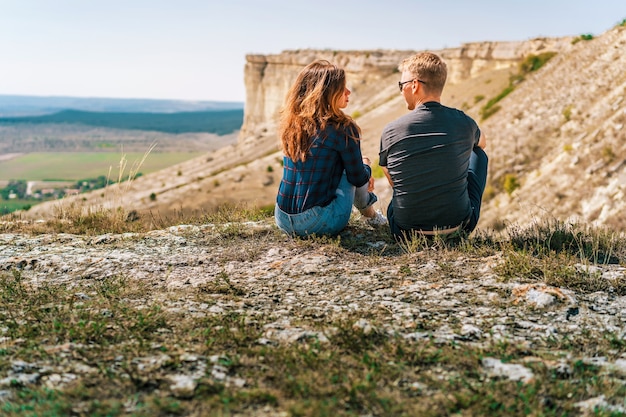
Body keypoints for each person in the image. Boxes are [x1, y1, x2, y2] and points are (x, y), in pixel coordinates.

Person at [378, 52, 488, 241]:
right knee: (478, 153)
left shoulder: (391, 130)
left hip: (403, 232)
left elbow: (392, 179)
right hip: (458, 228)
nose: (401, 90)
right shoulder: (464, 122)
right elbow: (482, 142)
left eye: (401, 85)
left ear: (414, 85)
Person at [275, 59, 386, 237]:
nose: (348, 91)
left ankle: (371, 215)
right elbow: (358, 178)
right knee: (353, 168)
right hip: (316, 222)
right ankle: (372, 217)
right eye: (342, 87)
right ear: (327, 93)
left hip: (282, 218)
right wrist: (365, 166)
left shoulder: (293, 124)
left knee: (343, 164)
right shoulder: (343, 128)